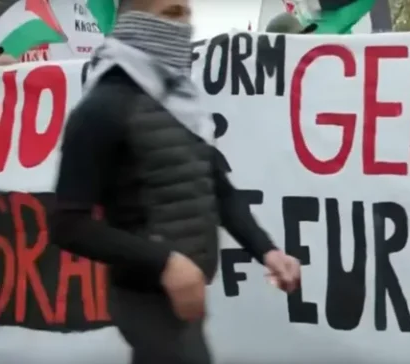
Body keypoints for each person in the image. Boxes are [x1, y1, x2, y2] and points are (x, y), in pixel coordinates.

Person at [50, 0, 301, 363]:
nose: (183, 25)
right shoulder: (101, 108)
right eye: (171, 13)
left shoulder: (183, 103)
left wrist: (267, 251)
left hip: (183, 297)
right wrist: (165, 263)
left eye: (186, 14)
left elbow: (218, 190)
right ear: (133, 20)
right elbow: (67, 224)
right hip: (144, 298)